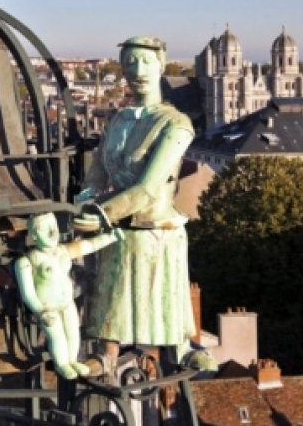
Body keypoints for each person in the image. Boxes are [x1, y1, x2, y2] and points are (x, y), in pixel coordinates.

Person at [74, 36, 215, 377]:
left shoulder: (175, 123)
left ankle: (180, 348)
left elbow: (149, 188)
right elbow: (96, 177)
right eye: (130, 62)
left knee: (163, 296)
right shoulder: (118, 121)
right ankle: (106, 354)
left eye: (145, 62)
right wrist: (78, 205)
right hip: (117, 230)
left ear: (161, 64)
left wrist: (102, 213)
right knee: (112, 301)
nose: (137, 70)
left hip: (156, 230)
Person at [15, 212, 117, 379]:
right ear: (33, 235)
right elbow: (28, 293)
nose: (51, 231)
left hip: (67, 303)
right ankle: (62, 364)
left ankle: (72, 360)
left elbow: (88, 245)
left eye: (53, 225)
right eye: (43, 228)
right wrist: (41, 311)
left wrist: (109, 238)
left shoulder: (63, 251)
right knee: (57, 336)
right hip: (48, 308)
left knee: (72, 332)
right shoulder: (28, 261)